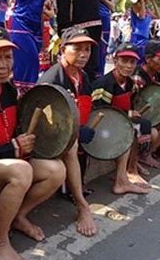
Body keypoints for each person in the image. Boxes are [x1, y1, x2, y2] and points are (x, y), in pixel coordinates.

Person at [0, 27, 66, 260]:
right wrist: (14, 148)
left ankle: (17, 216)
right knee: (21, 170)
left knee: (56, 170)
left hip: (8, 162)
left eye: (8, 57)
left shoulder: (9, 90)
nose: (3, 64)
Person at [38, 27, 101, 237]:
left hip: (70, 136)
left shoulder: (82, 77)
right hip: (48, 142)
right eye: (78, 49)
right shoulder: (52, 79)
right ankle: (82, 205)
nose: (84, 54)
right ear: (63, 49)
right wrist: (73, 132)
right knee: (72, 144)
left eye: (88, 49)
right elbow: (43, 124)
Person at [91, 42, 156, 188]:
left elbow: (131, 103)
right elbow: (100, 111)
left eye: (132, 62)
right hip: (103, 125)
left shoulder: (130, 83)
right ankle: (130, 172)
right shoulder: (104, 84)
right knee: (129, 131)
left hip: (120, 120)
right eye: (124, 61)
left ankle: (135, 164)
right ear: (115, 61)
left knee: (146, 126)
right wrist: (128, 114)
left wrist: (131, 113)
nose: (128, 66)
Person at [57, 0, 101, 81]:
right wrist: (65, 28)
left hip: (95, 29)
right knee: (74, 70)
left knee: (92, 71)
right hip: (77, 29)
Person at [9, 0, 46, 94]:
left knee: (33, 66)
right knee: (25, 65)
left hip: (36, 28)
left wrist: (42, 36)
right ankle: (20, 100)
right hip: (21, 26)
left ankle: (29, 101)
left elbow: (41, 10)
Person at [93, 0, 116, 76]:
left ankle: (99, 75)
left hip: (106, 18)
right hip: (97, 17)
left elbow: (112, 7)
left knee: (103, 49)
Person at [129, 0, 160, 64]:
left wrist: (153, 2)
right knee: (137, 60)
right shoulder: (135, 5)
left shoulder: (146, 8)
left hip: (145, 37)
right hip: (137, 37)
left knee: (142, 60)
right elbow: (142, 16)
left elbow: (158, 16)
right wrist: (142, 1)